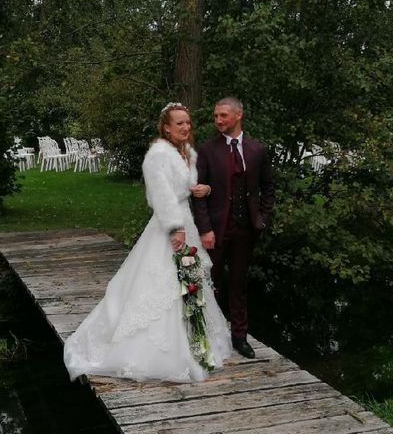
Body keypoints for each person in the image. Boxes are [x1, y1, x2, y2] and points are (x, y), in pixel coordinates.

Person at [63, 102, 231, 383]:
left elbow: (184, 185)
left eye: (188, 122)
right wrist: (174, 228)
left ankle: (197, 342)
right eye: (180, 123)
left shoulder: (186, 151)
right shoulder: (158, 154)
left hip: (186, 221)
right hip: (170, 225)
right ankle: (156, 352)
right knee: (162, 284)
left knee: (189, 281)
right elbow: (160, 193)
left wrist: (204, 188)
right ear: (166, 127)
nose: (186, 127)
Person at [193, 97, 275, 359]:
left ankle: (239, 337)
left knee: (239, 285)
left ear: (239, 115)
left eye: (223, 116)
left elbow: (268, 187)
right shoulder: (207, 150)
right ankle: (211, 338)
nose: (218, 120)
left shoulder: (257, 150)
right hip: (215, 230)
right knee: (211, 282)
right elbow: (198, 194)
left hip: (245, 230)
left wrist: (261, 218)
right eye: (215, 116)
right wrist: (205, 229)